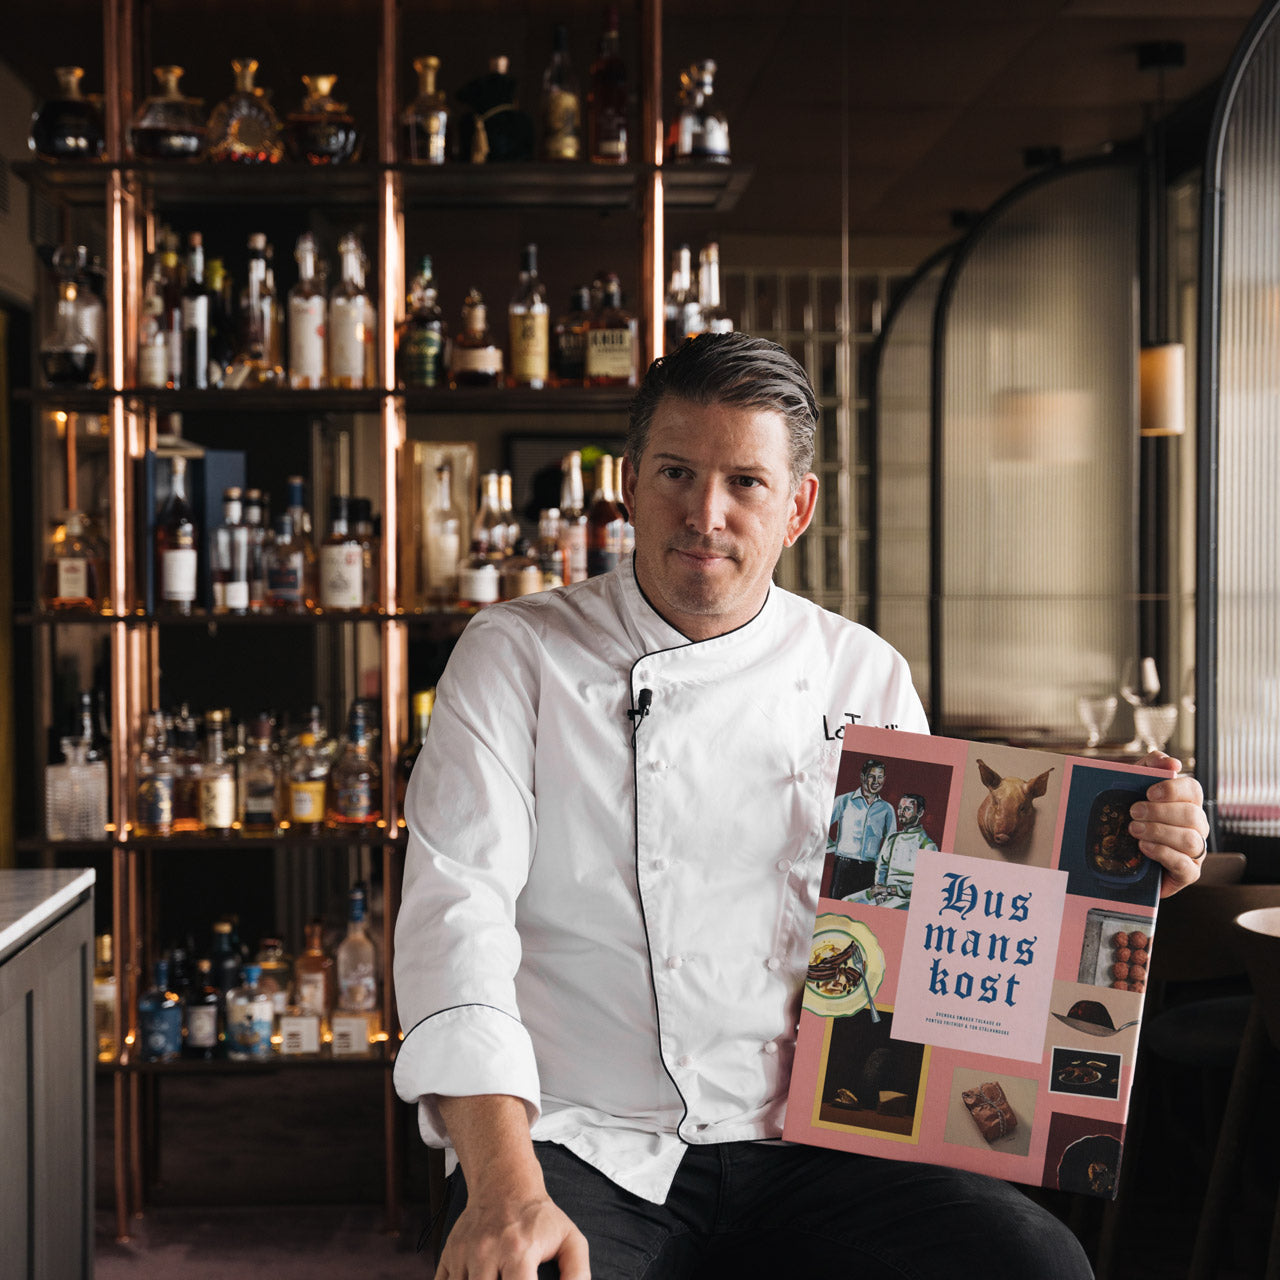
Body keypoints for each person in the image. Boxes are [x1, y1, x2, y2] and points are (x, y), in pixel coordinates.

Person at [393, 332, 1210, 1280]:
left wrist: (1121, 865)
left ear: (797, 508)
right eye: (675, 473)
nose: (705, 513)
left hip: (822, 1136)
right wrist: (502, 1186)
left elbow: (940, 926)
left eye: (745, 481)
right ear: (627, 482)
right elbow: (457, 918)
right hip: (587, 1139)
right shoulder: (516, 655)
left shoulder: (862, 671)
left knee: (1035, 1263)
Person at [843, 792, 937, 909]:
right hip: (883, 891)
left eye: (907, 809)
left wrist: (890, 890)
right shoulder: (892, 839)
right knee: (847, 901)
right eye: (900, 808)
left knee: (879, 910)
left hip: (905, 898)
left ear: (920, 813)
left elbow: (923, 886)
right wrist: (879, 889)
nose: (901, 813)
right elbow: (881, 867)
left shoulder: (928, 846)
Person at [827, 757, 896, 898]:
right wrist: (833, 847)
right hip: (844, 868)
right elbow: (820, 826)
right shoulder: (843, 800)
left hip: (870, 871)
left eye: (880, 777)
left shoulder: (887, 809)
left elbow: (891, 843)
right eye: (871, 776)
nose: (876, 782)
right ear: (862, 776)